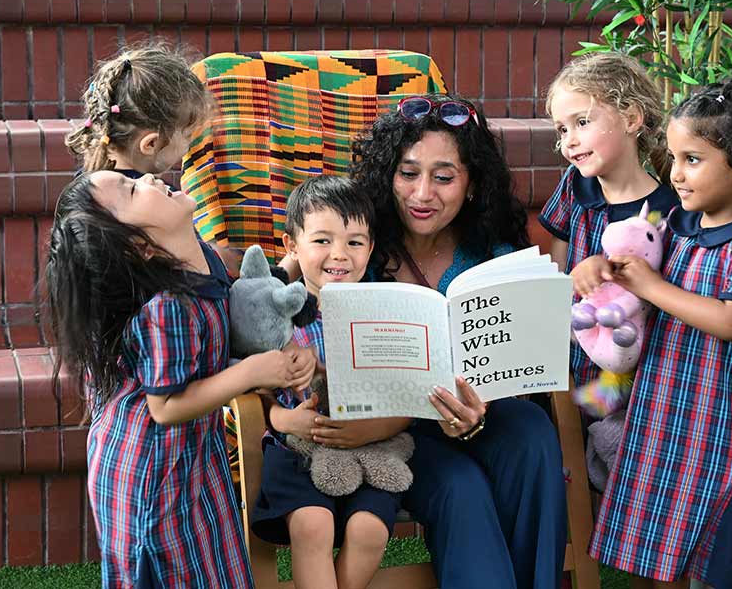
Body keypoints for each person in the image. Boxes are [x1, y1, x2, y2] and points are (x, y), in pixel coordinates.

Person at [45, 170, 316, 588]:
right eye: (133, 190)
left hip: (192, 459)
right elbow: (166, 406)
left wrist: (282, 350)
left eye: (133, 178)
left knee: (215, 569)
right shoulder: (168, 306)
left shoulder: (204, 260)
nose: (150, 177)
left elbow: (235, 332)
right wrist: (249, 372)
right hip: (150, 473)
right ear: (142, 246)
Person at [351, 94, 568, 589]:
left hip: (477, 410)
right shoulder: (357, 244)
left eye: (444, 177)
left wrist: (478, 411)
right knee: (461, 485)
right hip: (390, 428)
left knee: (532, 431)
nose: (422, 193)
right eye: (408, 173)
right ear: (388, 175)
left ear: (471, 185)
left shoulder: (491, 256)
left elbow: (516, 360)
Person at [589, 81, 732, 589]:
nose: (676, 174)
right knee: (649, 546)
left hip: (713, 420)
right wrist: (601, 266)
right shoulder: (677, 220)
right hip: (659, 406)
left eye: (692, 160)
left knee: (695, 543)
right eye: (674, 158)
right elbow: (632, 247)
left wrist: (652, 286)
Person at [251, 175, 406, 589]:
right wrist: (284, 420)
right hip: (296, 449)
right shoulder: (276, 313)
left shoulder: (381, 313)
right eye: (322, 241)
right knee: (313, 524)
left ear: (370, 249)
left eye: (355, 242)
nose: (339, 254)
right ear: (291, 246)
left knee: (369, 530)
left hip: (370, 448)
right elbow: (258, 390)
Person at [540, 51, 679, 390]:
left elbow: (660, 294)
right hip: (574, 356)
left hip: (634, 368)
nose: (568, 140)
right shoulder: (576, 184)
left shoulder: (667, 210)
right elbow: (557, 271)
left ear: (631, 119)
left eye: (582, 122)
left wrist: (605, 270)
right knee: (576, 436)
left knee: (611, 437)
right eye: (562, 129)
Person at [64, 41, 212, 178]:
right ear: (151, 144)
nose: (192, 142)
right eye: (188, 135)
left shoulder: (82, 188)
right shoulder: (157, 200)